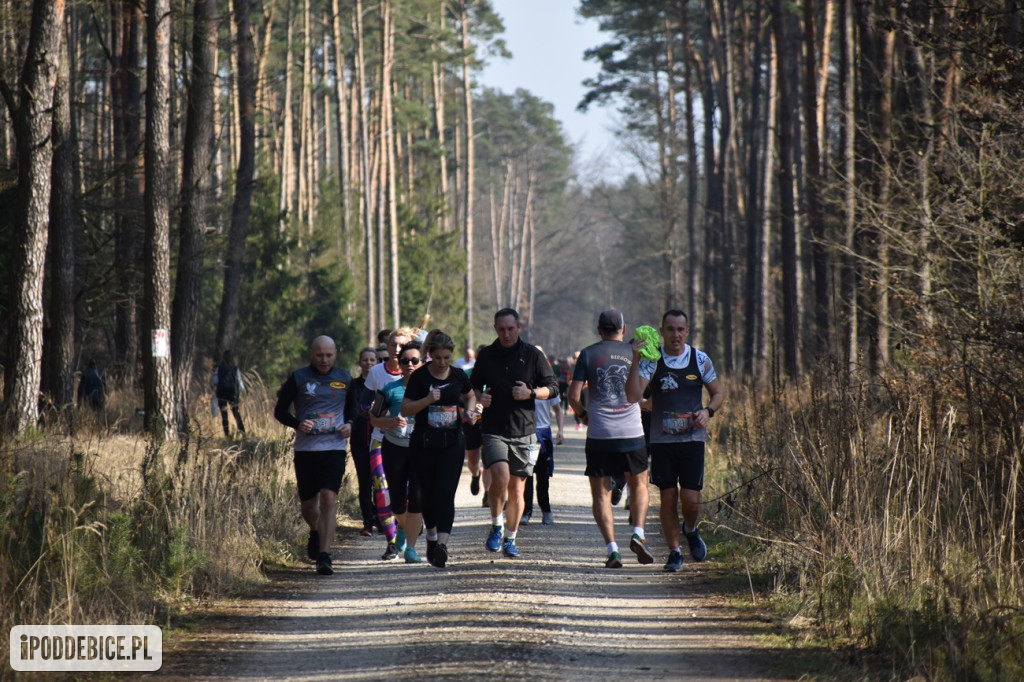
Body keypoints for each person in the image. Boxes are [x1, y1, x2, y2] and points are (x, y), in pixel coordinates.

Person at [625, 309, 724, 572]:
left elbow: (718, 393)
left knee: (690, 500)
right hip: (662, 441)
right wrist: (635, 359)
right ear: (662, 331)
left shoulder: (700, 359)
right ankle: (675, 552)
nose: (676, 335)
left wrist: (708, 411)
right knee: (668, 498)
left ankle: (690, 529)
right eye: (670, 329)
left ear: (687, 332)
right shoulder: (652, 360)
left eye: (681, 330)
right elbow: (634, 396)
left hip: (692, 439)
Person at [470, 308, 559, 558]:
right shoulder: (487, 355)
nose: (506, 334)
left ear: (518, 328)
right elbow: (474, 383)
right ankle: (496, 526)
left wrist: (530, 393)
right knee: (499, 477)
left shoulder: (532, 355)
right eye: (501, 329)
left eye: (511, 329)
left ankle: (511, 538)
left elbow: (552, 388)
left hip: (525, 431)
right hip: (494, 429)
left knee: (518, 490)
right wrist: (481, 396)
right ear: (495, 329)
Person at [568, 309, 653, 569]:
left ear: (599, 330)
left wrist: (583, 415)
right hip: (631, 432)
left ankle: (612, 550)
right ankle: (638, 532)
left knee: (601, 494)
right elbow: (637, 396)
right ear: (624, 330)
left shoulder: (588, 354)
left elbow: (573, 395)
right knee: (639, 485)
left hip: (600, 433)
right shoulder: (636, 353)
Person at [273, 336, 355, 576]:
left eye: (329, 355)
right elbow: (280, 411)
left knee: (329, 498)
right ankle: (317, 530)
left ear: (335, 354)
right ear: (311, 353)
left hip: (334, 448)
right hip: (306, 450)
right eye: (319, 355)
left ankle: (325, 555)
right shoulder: (298, 378)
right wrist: (298, 424)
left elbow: (353, 409)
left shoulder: (345, 378)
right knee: (309, 506)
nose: (324, 360)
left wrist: (350, 424)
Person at [401, 331, 478, 567]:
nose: (443, 362)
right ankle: (432, 537)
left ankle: (442, 545)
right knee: (428, 495)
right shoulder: (420, 377)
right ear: (430, 354)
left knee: (445, 493)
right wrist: (426, 400)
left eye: (447, 357)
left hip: (451, 443)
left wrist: (472, 411)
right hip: (424, 444)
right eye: (439, 357)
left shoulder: (457, 375)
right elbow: (405, 409)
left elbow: (470, 395)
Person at [363, 327, 417, 560]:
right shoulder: (377, 372)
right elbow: (365, 407)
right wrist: (387, 419)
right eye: (392, 345)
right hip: (380, 439)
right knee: (382, 492)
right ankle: (392, 542)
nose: (396, 350)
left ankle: (406, 528)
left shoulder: (420, 372)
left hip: (411, 443)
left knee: (406, 492)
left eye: (402, 346)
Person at [347, 347, 379, 536]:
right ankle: (367, 522)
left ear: (376, 363)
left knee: (379, 481)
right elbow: (350, 409)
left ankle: (381, 518)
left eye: (372, 360)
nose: (368, 363)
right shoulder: (353, 385)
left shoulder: (380, 384)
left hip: (379, 438)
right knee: (364, 480)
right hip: (359, 439)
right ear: (359, 363)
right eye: (365, 360)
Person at [522, 383, 564, 525]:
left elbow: (558, 409)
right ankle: (526, 511)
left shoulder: (548, 387)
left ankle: (546, 510)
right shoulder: (523, 385)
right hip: (528, 435)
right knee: (527, 474)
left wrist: (560, 430)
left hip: (543, 436)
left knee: (543, 475)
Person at [463, 344, 489, 505]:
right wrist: (471, 410)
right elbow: (461, 399)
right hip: (470, 422)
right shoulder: (466, 375)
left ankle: (488, 493)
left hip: (489, 423)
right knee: (473, 460)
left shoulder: (495, 375)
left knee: (489, 460)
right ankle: (475, 475)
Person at [213, 350, 245, 437]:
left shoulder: (219, 369)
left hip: (221, 394)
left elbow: (215, 381)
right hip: (232, 393)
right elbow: (240, 384)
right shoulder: (235, 369)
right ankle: (242, 432)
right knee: (236, 413)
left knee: (224, 415)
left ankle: (227, 434)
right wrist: (239, 394)